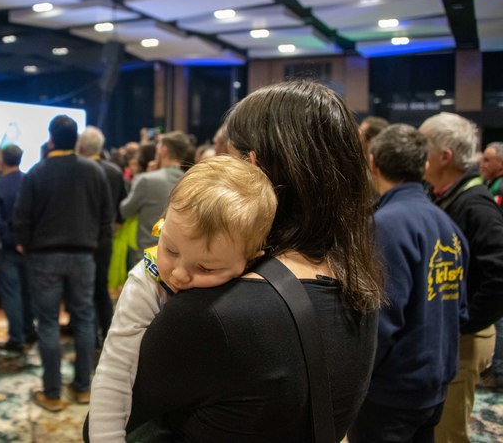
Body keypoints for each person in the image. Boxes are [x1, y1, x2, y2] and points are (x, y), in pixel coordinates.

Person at [124, 80, 383, 441]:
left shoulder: (215, 311)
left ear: (251, 164)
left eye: (227, 158)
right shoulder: (361, 287)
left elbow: (113, 420)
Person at [88, 155, 277, 441]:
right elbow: (115, 371)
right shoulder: (147, 283)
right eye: (171, 250)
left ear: (251, 261)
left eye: (205, 268)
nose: (178, 274)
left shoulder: (257, 288)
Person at [348, 124, 469, 443]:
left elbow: (380, 321)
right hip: (434, 384)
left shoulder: (383, 226)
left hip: (392, 391)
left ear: (372, 163)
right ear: (425, 165)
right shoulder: (448, 225)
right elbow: (460, 309)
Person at [13, 115, 112, 412]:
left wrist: (26, 245)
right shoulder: (93, 171)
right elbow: (106, 216)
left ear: (51, 138)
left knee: (48, 323)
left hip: (44, 256)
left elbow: (21, 217)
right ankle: (83, 388)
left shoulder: (36, 172)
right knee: (84, 319)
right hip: (84, 255)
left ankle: (52, 393)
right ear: (77, 140)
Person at [419, 113, 503, 443]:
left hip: (466, 339)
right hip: (454, 335)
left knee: (449, 434)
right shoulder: (445, 194)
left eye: (423, 146)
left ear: (445, 156)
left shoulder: (475, 204)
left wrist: (463, 322)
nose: (418, 154)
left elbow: (499, 276)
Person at [77, 126, 127, 342]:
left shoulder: (80, 171)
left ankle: (88, 337)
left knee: (83, 294)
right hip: (105, 238)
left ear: (80, 146)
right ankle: (107, 335)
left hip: (81, 239)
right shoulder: (114, 171)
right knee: (101, 289)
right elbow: (121, 208)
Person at [120, 131, 192, 257]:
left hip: (147, 256)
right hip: (177, 255)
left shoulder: (146, 180)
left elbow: (125, 210)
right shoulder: (190, 181)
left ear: (163, 150)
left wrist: (143, 177)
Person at [0, 144, 36, 353]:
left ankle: (16, 338)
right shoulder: (30, 181)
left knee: (11, 293)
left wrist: (11, 240)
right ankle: (29, 330)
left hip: (8, 248)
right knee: (28, 291)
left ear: (2, 160)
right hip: (30, 247)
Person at [479, 141, 503, 390]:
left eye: (487, 160)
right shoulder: (491, 185)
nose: (482, 164)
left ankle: (498, 372)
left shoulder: (499, 187)